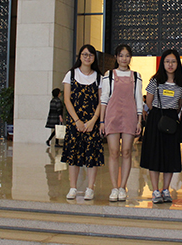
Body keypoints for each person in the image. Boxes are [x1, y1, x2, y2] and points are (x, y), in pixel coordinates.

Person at [140, 49, 182, 204]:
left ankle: (166, 189)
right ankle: (155, 191)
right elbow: (149, 101)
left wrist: (169, 115)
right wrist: (159, 115)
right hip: (156, 119)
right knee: (154, 155)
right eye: (167, 61)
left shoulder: (181, 84)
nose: (170, 65)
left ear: (178, 63)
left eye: (173, 61)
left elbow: (180, 104)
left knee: (169, 156)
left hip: (171, 120)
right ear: (163, 63)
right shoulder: (155, 81)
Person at [100, 44, 143, 202]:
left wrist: (139, 120)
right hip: (112, 116)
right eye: (121, 55)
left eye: (127, 56)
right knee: (113, 152)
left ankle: (123, 187)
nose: (124, 59)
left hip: (129, 116)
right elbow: (104, 98)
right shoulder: (109, 75)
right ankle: (114, 187)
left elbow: (138, 98)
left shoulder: (136, 76)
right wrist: (102, 121)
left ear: (130, 58)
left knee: (126, 152)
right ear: (116, 57)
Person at [61, 44, 103, 201]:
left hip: (92, 122)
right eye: (85, 54)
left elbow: (101, 101)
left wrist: (93, 120)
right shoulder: (71, 74)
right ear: (80, 56)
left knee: (92, 156)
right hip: (75, 122)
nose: (87, 57)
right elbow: (67, 100)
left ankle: (90, 188)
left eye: (90, 55)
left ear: (94, 58)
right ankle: (73, 187)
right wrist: (77, 121)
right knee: (73, 155)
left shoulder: (99, 77)